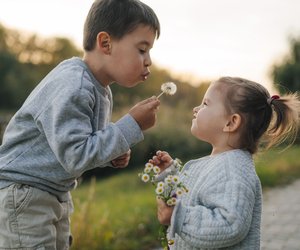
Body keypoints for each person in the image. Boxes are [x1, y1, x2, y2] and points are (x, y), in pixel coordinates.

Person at [0, 0, 160, 249]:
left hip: (52, 192)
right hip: (25, 192)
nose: (148, 60)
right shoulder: (74, 85)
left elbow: (80, 144)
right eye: (142, 49)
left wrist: (112, 154)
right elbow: (76, 156)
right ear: (106, 43)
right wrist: (131, 126)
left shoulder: (101, 90)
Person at [150, 76, 300, 249]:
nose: (195, 109)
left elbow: (229, 225)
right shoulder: (217, 164)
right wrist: (168, 175)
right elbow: (188, 199)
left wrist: (179, 216)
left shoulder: (233, 171)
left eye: (205, 104)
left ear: (231, 122)